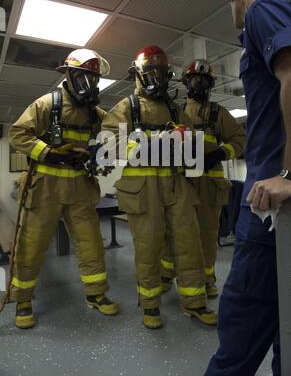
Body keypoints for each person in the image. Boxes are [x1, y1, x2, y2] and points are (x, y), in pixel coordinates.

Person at [205, 0, 291, 376]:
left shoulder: (263, 8)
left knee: (239, 339)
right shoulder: (282, 17)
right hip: (281, 212)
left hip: (270, 213)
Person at [101, 45, 217, 329]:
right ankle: (150, 307)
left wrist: (185, 139)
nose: (157, 78)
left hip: (177, 184)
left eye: (162, 73)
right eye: (151, 72)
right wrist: (151, 144)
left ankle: (194, 302)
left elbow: (192, 142)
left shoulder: (176, 108)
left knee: (189, 244)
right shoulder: (127, 107)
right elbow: (108, 145)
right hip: (143, 188)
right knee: (148, 247)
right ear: (138, 75)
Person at [9, 48, 119, 329]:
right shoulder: (48, 103)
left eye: (94, 79)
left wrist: (101, 155)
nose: (90, 85)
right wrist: (49, 152)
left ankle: (96, 294)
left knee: (90, 242)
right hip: (45, 186)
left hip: (80, 187)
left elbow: (113, 137)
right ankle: (23, 299)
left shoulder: (97, 114)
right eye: (85, 77)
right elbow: (18, 133)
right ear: (69, 75)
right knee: (31, 244)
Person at [160, 59, 245, 297]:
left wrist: (220, 152)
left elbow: (239, 140)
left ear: (209, 85)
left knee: (207, 234)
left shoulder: (219, 113)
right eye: (194, 80)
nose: (198, 84)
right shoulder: (175, 111)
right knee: (173, 230)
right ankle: (166, 273)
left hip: (210, 185)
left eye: (203, 80)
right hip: (182, 182)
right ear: (186, 82)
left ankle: (207, 279)